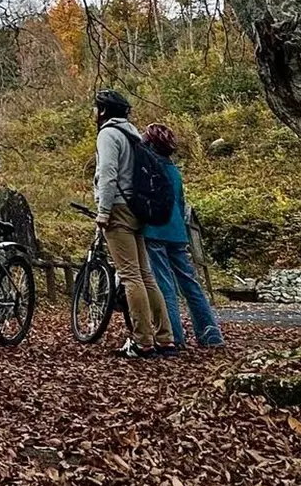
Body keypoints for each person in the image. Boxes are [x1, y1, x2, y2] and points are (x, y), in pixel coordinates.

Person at [92, 90, 176, 359]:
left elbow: (107, 174)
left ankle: (142, 341)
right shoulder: (133, 135)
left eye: (96, 108)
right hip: (138, 208)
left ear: (103, 110)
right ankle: (165, 337)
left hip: (118, 208)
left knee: (129, 276)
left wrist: (103, 211)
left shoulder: (108, 134)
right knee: (145, 275)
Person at [140, 123, 226, 348]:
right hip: (177, 232)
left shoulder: (149, 169)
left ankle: (174, 336)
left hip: (154, 230)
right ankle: (210, 332)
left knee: (164, 284)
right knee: (190, 283)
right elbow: (180, 203)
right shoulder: (174, 171)